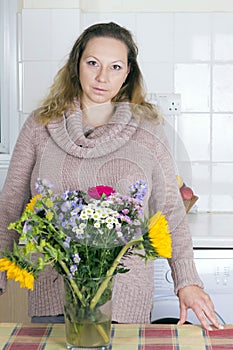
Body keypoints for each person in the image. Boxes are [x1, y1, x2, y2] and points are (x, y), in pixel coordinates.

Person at [0, 22, 223, 331]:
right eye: (93, 63)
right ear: (76, 64)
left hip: (125, 300)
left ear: (128, 72)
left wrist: (187, 281)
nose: (102, 77)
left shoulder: (148, 129)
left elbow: (170, 210)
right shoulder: (40, 125)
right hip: (53, 295)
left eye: (115, 67)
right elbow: (10, 203)